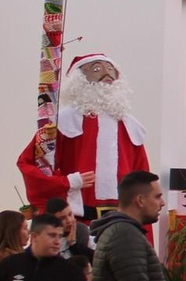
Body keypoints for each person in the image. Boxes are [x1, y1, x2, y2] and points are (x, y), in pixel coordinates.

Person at [16, 53, 151, 214]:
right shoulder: (63, 122)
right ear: (80, 80)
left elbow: (143, 181)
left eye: (111, 69)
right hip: (78, 222)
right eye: (96, 69)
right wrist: (66, 182)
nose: (107, 74)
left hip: (122, 223)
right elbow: (32, 164)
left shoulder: (130, 126)